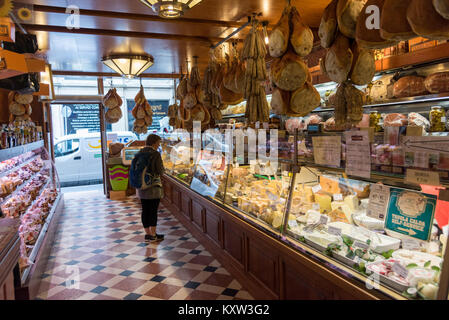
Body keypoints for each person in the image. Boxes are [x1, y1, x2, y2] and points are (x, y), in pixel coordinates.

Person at [136, 134, 165, 243]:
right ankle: (153, 235)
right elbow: (160, 171)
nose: (159, 145)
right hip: (153, 187)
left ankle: (148, 234)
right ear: (153, 143)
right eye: (158, 143)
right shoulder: (155, 154)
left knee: (145, 210)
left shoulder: (140, 153)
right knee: (153, 211)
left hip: (142, 187)